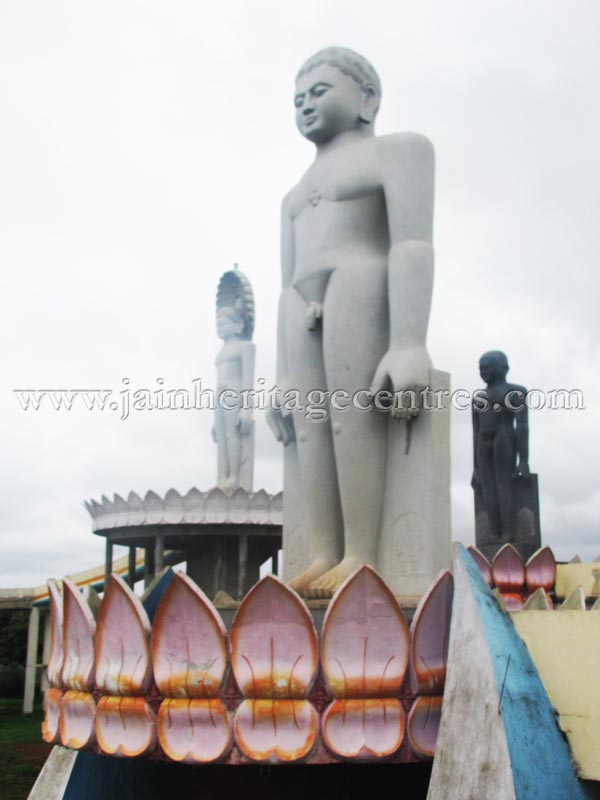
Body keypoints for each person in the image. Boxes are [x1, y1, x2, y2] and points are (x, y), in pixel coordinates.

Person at [268, 47, 435, 597]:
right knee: (311, 427)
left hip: (360, 284)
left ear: (367, 99)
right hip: (301, 304)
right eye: (298, 98)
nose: (305, 104)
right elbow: (284, 282)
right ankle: (326, 550)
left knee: (352, 415)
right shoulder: (292, 196)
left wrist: (408, 341)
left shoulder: (398, 151)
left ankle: (361, 551)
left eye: (318, 92)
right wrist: (281, 374)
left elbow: (412, 243)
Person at [471, 350, 530, 541]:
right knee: (487, 487)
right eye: (481, 368)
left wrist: (524, 460)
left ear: (503, 368)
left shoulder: (515, 392)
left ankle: (508, 533)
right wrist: (475, 468)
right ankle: (494, 533)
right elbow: (475, 432)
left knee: (504, 484)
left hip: (503, 436)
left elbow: (522, 426)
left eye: (489, 367)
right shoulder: (478, 398)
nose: (484, 371)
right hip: (483, 441)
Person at [213, 269, 255, 492]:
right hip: (219, 395)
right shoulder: (221, 352)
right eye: (218, 324)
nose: (220, 327)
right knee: (221, 436)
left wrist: (247, 408)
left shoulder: (245, 347)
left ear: (238, 324)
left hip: (234, 393)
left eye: (224, 323)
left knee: (232, 434)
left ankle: (234, 477)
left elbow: (248, 380)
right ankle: (222, 477)